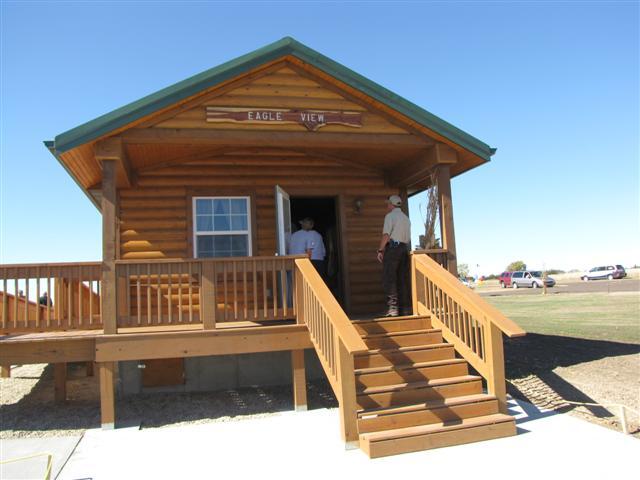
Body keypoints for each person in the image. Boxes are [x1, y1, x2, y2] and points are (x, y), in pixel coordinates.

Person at [377, 195, 411, 317]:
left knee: (390, 278)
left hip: (393, 248)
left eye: (388, 204)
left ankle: (392, 309)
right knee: (402, 278)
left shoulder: (390, 216)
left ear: (392, 204)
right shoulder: (406, 218)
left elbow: (386, 235)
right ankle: (405, 308)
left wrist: (380, 250)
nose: (387, 206)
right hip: (404, 249)